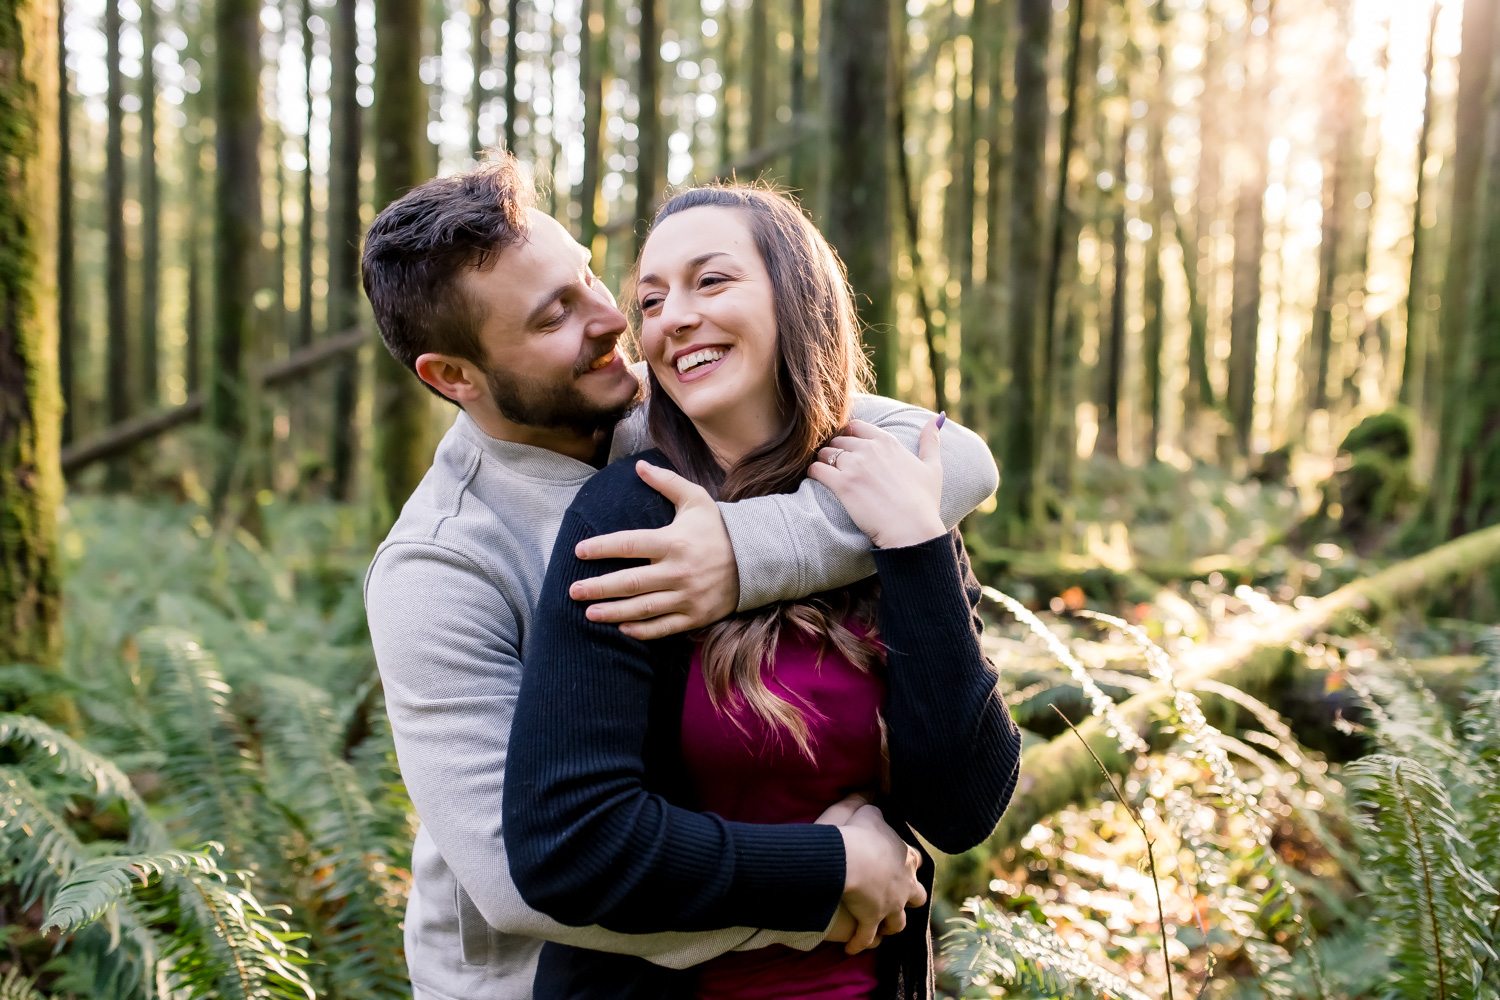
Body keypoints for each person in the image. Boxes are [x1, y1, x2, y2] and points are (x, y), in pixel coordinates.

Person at [360, 156, 1002, 1000]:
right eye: (555, 313)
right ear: (455, 376)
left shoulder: (669, 408)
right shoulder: (438, 570)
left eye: (589, 274)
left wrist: (745, 555)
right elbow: (527, 878)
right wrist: (832, 877)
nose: (612, 318)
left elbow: (950, 456)